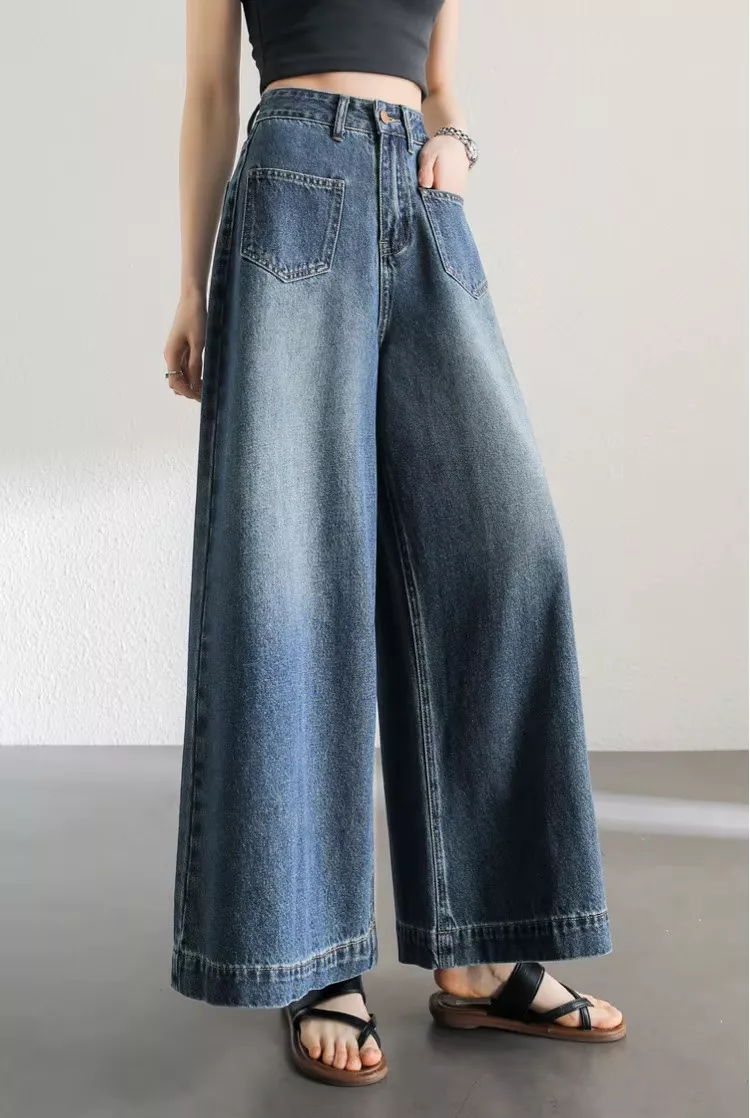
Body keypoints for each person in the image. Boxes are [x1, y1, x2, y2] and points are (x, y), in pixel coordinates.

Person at [163, 0, 625, 1087]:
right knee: (291, 572)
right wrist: (189, 284)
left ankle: (481, 948)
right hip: (289, 194)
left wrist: (456, 141)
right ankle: (312, 953)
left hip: (423, 202)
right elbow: (210, 94)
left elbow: (441, 81)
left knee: (507, 552)